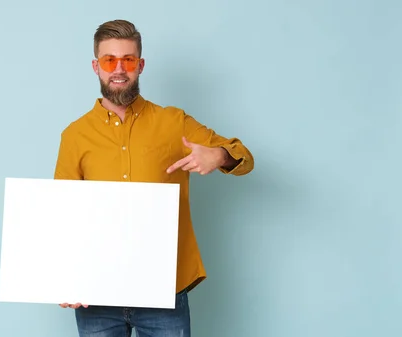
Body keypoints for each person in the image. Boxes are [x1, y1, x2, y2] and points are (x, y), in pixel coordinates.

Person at [53, 19, 254, 337]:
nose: (119, 69)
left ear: (140, 65)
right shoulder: (75, 135)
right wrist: (65, 277)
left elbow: (243, 157)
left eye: (128, 60)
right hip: (97, 297)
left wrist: (218, 156)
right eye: (109, 60)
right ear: (96, 66)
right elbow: (63, 213)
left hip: (164, 293)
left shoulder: (174, 123)